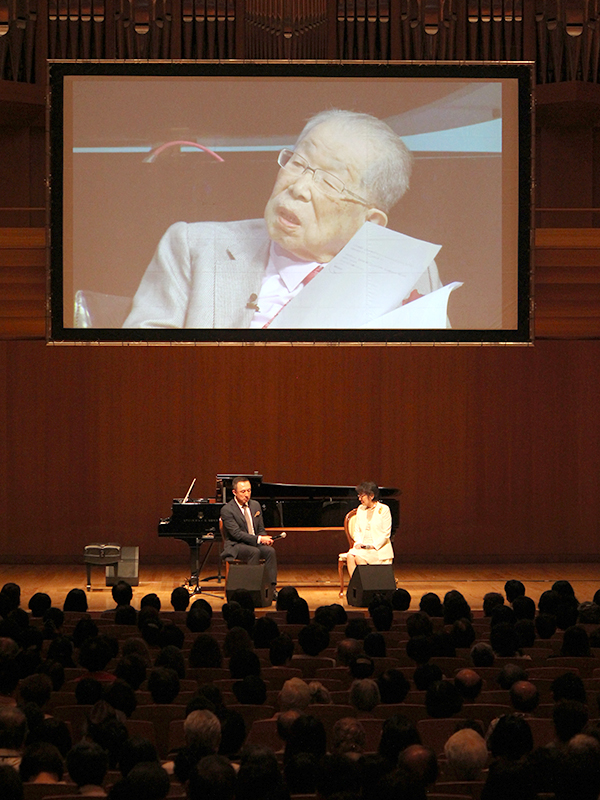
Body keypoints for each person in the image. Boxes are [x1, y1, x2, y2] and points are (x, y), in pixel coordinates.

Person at [124, 109, 447, 329]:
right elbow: (145, 361)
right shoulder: (194, 247)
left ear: (370, 223)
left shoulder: (410, 272)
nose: (299, 188)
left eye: (329, 182)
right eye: (297, 163)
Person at [220, 476, 277, 589]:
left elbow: (260, 529)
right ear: (234, 492)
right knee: (254, 552)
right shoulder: (227, 510)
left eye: (249, 490)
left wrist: (265, 538)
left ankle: (271, 589)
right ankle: (252, 588)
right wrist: (259, 539)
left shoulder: (255, 505)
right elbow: (236, 534)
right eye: (243, 491)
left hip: (254, 543)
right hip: (236, 545)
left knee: (270, 551)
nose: (247, 494)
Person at [344, 481, 393, 577]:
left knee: (358, 558)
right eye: (359, 496)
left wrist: (373, 546)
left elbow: (386, 534)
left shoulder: (384, 509)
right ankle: (357, 586)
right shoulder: (361, 509)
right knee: (350, 556)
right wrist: (358, 543)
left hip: (378, 549)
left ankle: (367, 586)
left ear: (371, 496)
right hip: (363, 548)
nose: (359, 499)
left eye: (362, 496)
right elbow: (356, 530)